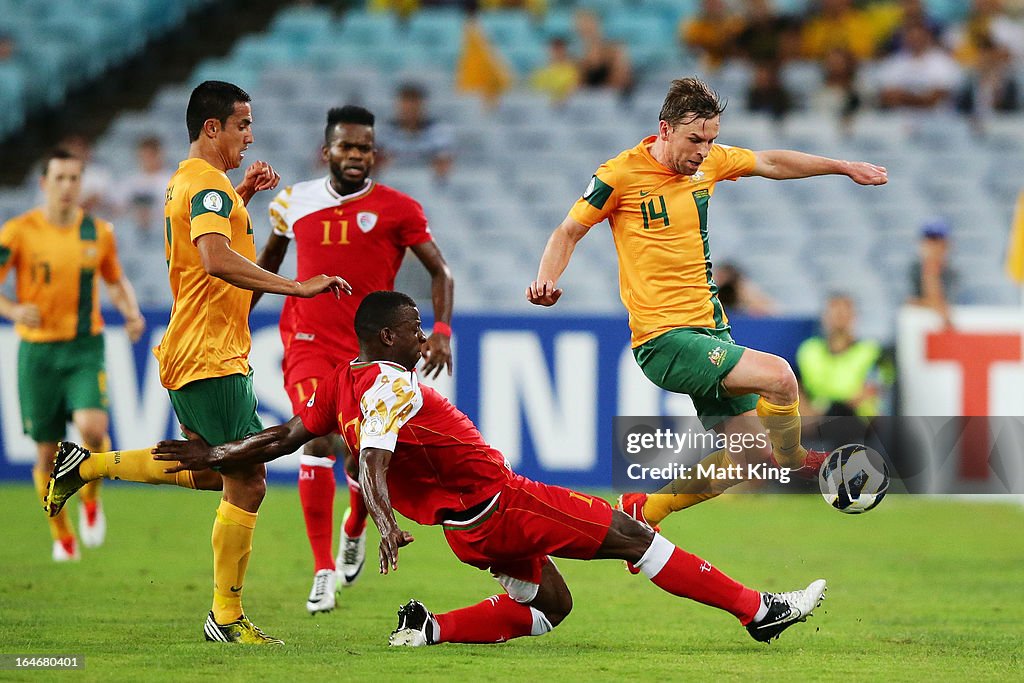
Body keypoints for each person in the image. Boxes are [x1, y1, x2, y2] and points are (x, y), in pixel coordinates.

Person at [146, 291, 827, 647]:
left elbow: (287, 434)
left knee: (551, 606)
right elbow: (374, 460)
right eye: (415, 328)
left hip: (465, 531)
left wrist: (220, 453)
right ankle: (757, 611)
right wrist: (382, 523)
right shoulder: (391, 386)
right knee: (635, 536)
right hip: (502, 503)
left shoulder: (342, 380)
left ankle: (430, 628)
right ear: (387, 337)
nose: (425, 336)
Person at [43, 80, 350, 644]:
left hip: (199, 345)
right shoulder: (206, 186)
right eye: (242, 125)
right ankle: (226, 618)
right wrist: (298, 287)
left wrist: (242, 195)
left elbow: (208, 236)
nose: (250, 136)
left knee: (215, 469)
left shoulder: (199, 184)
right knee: (248, 480)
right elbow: (213, 258)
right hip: (209, 352)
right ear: (212, 128)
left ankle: (83, 466)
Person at [527, 77, 887, 534]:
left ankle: (645, 512)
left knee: (747, 459)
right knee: (779, 377)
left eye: (711, 139)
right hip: (665, 341)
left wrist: (842, 165)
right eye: (695, 139)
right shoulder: (617, 174)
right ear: (664, 129)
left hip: (710, 333)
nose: (703, 150)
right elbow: (567, 231)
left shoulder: (710, 163)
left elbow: (772, 161)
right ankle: (799, 459)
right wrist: (546, 280)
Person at [254, 105, 454, 614]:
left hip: (371, 353)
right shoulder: (292, 202)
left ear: (374, 153)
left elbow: (441, 274)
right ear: (327, 151)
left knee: (362, 451)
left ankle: (355, 525)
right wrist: (237, 316)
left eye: (364, 147)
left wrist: (442, 332)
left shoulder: (398, 209)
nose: (356, 155)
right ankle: (322, 569)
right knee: (317, 438)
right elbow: (267, 265)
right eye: (346, 146)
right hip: (307, 343)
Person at [0, 147, 145, 562]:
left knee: (93, 430)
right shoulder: (18, 231)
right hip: (38, 353)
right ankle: (61, 534)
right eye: (59, 178)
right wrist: (11, 308)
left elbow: (115, 281)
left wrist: (132, 313)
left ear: (83, 184)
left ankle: (92, 500)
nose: (67, 186)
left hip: (84, 347)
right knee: (47, 453)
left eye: (74, 178)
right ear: (44, 183)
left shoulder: (97, 232)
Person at [796, 293, 882, 418]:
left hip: (858, 421)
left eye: (844, 314)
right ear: (824, 317)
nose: (839, 319)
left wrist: (835, 408)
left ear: (854, 317)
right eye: (835, 313)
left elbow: (872, 387)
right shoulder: (809, 350)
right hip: (816, 422)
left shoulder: (870, 351)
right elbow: (797, 386)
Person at [376, 83, 455, 182]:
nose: (410, 109)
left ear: (422, 105)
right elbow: (375, 165)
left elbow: (443, 165)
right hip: (393, 183)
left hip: (427, 184)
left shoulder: (439, 131)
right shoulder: (384, 132)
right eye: (405, 104)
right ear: (398, 105)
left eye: (414, 103)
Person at [907, 217, 955, 327]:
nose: (933, 246)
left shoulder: (952, 273)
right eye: (929, 240)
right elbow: (909, 302)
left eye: (937, 241)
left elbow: (948, 304)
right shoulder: (913, 270)